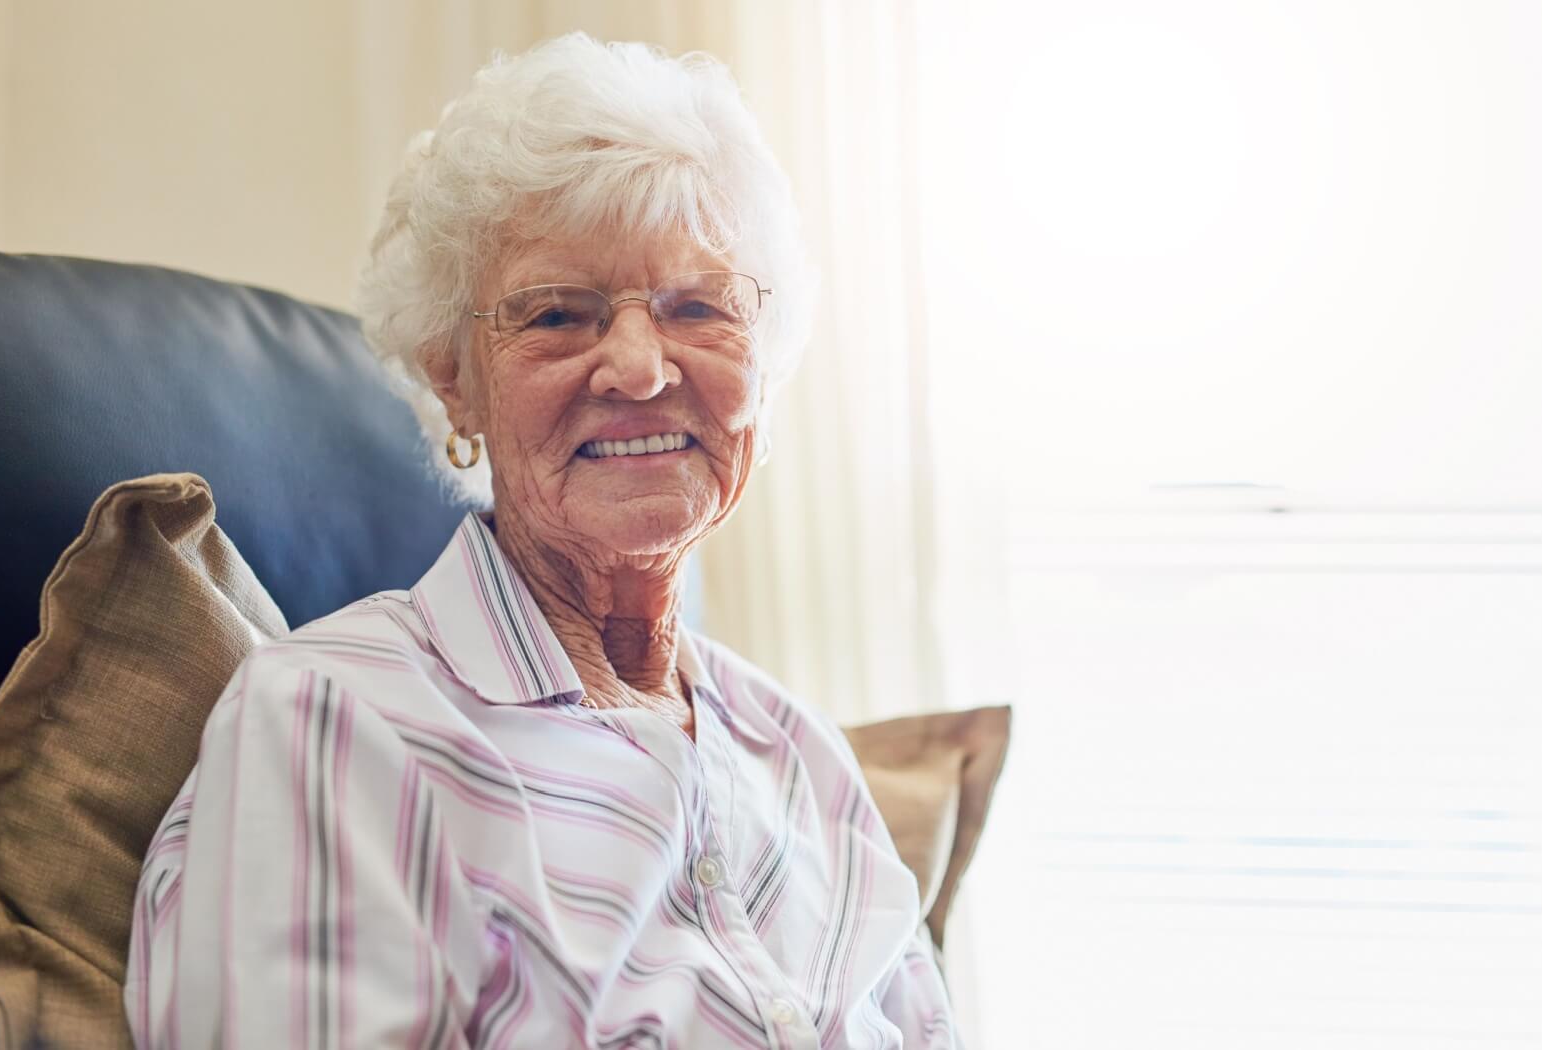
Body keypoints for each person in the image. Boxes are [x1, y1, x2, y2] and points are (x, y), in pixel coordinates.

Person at [125, 33, 958, 1048]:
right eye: (559, 314)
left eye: (699, 306)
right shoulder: (332, 725)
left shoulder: (804, 761)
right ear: (454, 380)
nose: (640, 367)